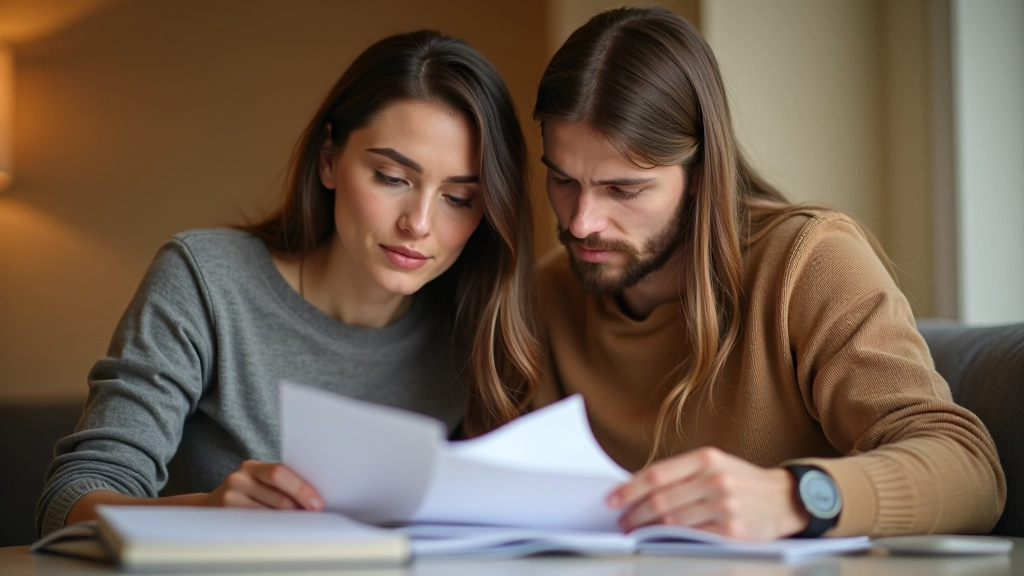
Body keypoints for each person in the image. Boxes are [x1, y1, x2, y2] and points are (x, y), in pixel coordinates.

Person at [36, 30, 542, 537]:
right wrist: (204, 513)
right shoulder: (206, 280)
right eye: (391, 177)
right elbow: (70, 501)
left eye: (459, 199)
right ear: (329, 160)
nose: (419, 224)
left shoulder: (475, 326)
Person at [531, 7, 1004, 540]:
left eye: (623, 189)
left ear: (700, 171)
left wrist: (794, 498)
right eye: (563, 180)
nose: (581, 223)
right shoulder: (546, 292)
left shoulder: (808, 263)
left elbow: (969, 472)